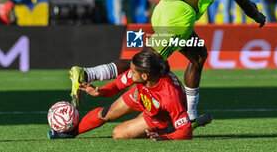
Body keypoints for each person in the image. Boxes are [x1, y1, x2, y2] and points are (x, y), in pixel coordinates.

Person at [70, 0, 266, 126]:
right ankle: (87, 73)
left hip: (162, 10)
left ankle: (190, 114)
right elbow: (245, 4)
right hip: (180, 19)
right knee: (144, 63)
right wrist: (258, 16)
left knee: (198, 55)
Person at [50, 50, 192, 141]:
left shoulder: (169, 97)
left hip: (158, 116)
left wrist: (165, 137)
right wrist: (100, 92)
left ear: (144, 76)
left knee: (118, 134)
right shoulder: (143, 74)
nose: (129, 73)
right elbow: (117, 85)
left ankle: (167, 128)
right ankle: (71, 133)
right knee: (105, 114)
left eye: (132, 72)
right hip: (142, 94)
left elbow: (186, 132)